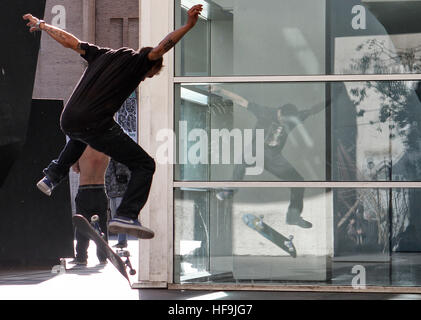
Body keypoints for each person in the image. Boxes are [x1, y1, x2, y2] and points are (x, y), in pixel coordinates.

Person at [23, 4, 204, 239]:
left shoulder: (102, 54)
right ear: (151, 67)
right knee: (145, 164)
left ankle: (53, 175)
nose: (147, 78)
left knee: (80, 136)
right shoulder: (141, 62)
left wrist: (43, 25)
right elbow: (162, 46)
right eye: (151, 75)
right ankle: (127, 214)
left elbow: (70, 41)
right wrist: (188, 26)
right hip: (96, 122)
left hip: (69, 118)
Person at [213, 87, 326, 229]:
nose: (285, 123)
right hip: (257, 152)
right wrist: (220, 91)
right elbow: (241, 101)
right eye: (283, 120)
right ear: (279, 113)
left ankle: (293, 216)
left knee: (298, 182)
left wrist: (331, 100)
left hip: (274, 157)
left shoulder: (294, 117)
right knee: (244, 158)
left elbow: (313, 110)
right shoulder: (265, 112)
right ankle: (228, 190)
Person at [70, 147, 110, 265]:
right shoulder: (106, 149)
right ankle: (103, 257)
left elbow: (75, 169)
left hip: (85, 189)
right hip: (101, 189)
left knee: (83, 225)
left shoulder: (80, 147)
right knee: (102, 225)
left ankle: (82, 257)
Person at [105, 159, 130, 248]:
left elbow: (127, 173)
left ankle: (122, 241)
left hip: (120, 192)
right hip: (113, 193)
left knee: (120, 218)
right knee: (116, 218)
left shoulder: (121, 158)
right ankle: (121, 240)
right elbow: (108, 175)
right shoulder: (112, 159)